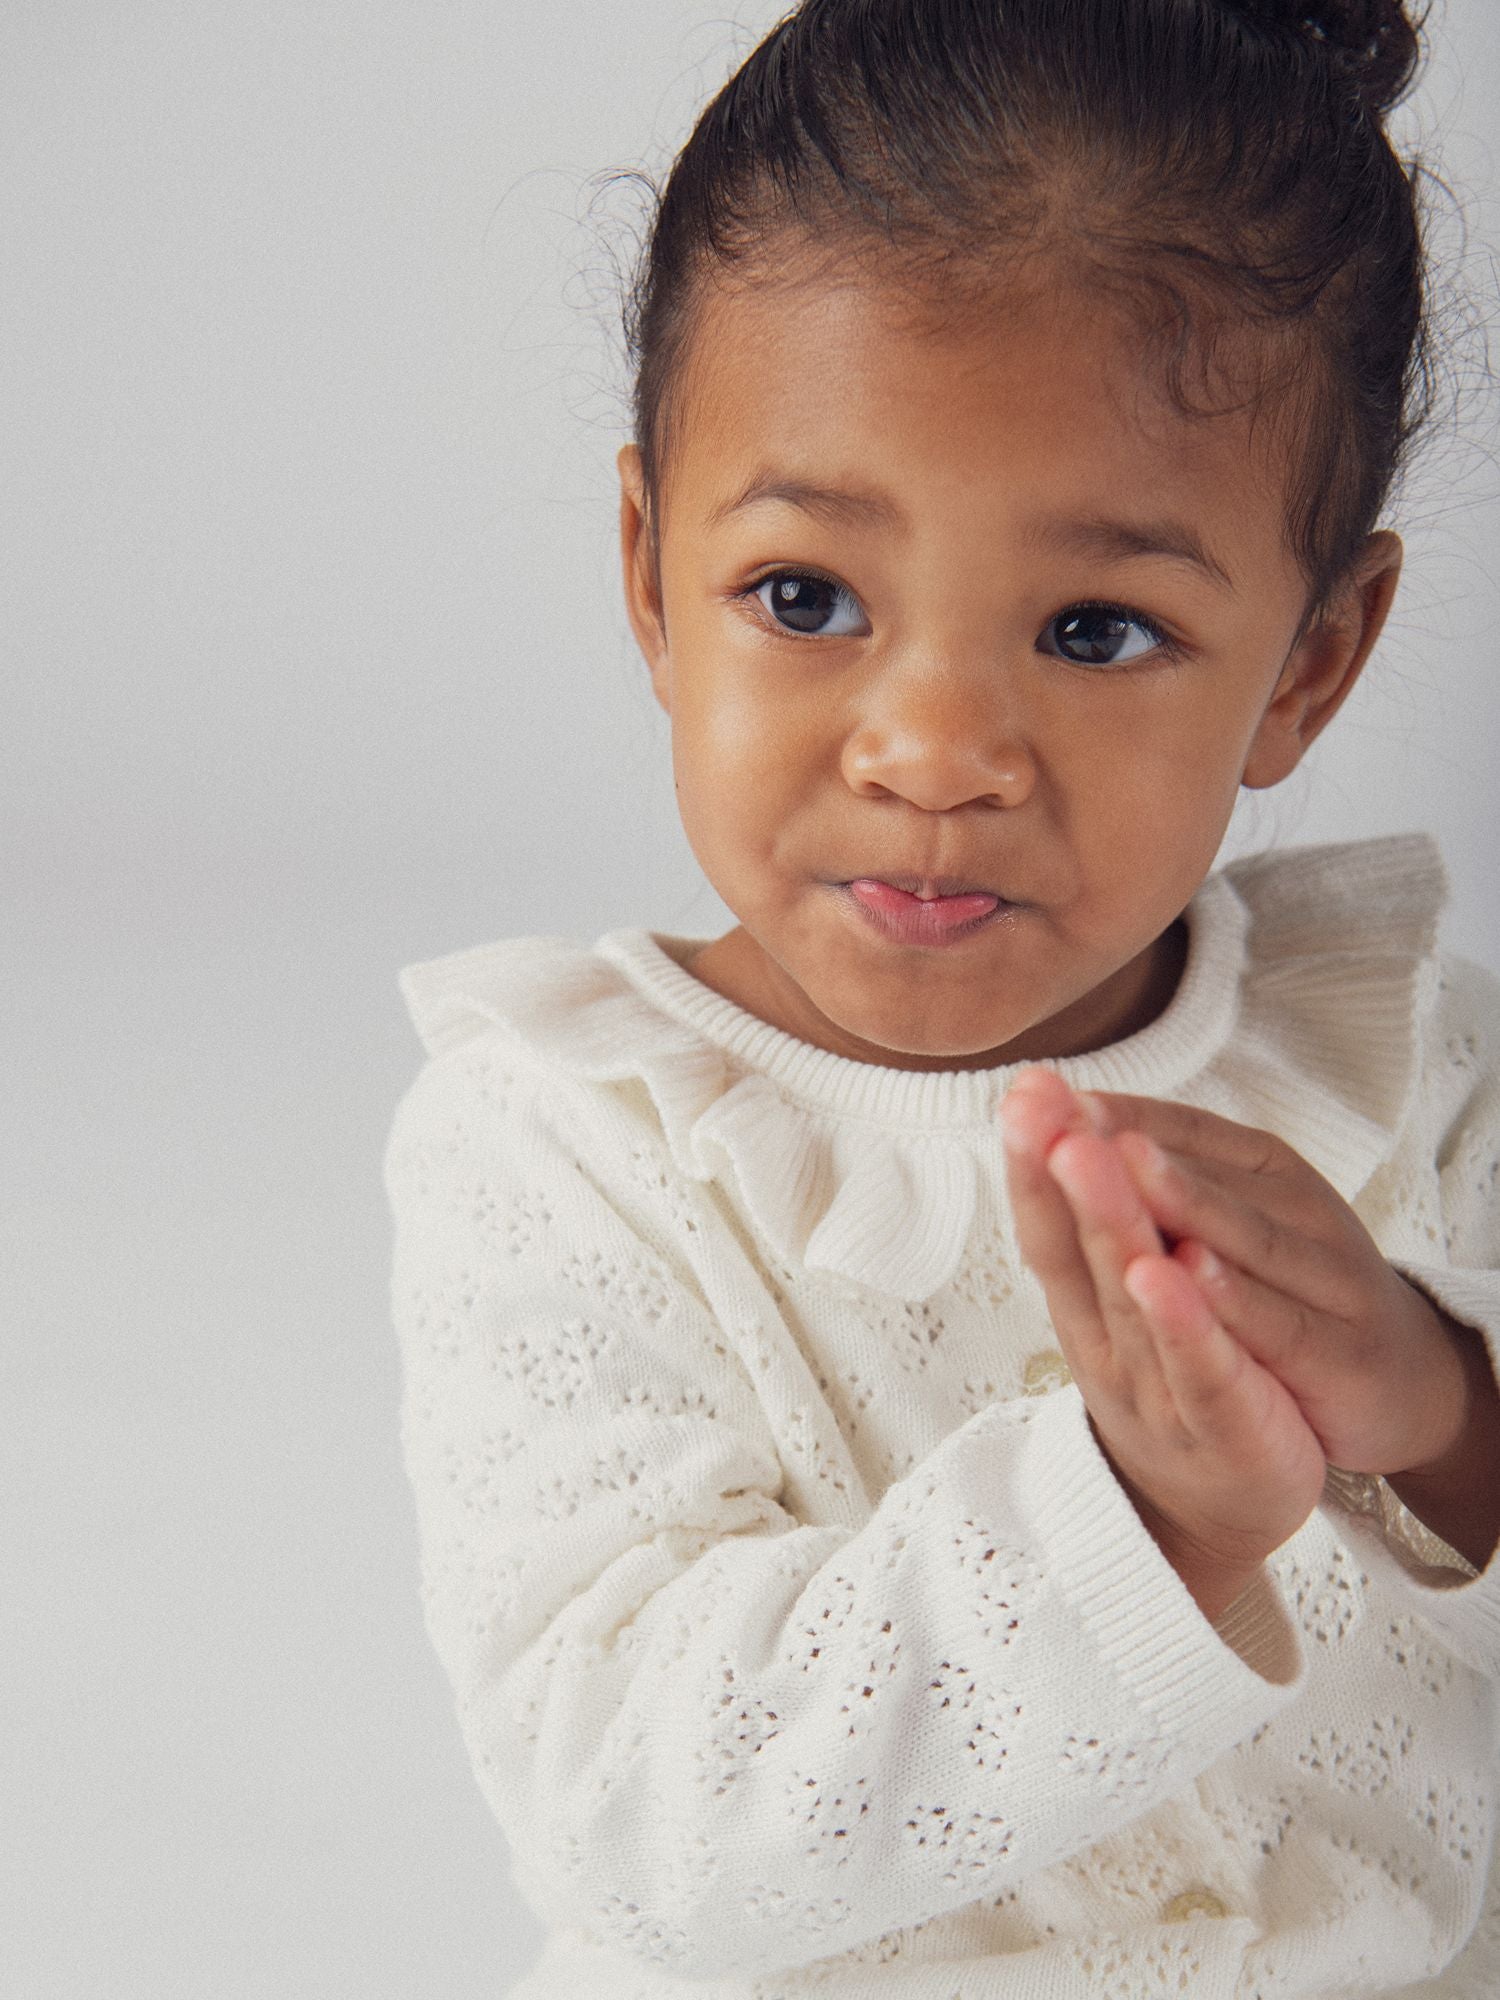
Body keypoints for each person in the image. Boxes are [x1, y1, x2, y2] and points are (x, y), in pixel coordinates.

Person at [382, 2, 1500, 1993]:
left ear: (1313, 661)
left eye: (1098, 627)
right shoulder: (565, 1150)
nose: (934, 747)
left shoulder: (1413, 1061)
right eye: (806, 595)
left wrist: (1441, 1407)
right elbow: (631, 1811)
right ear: (652, 569)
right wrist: (1129, 1526)